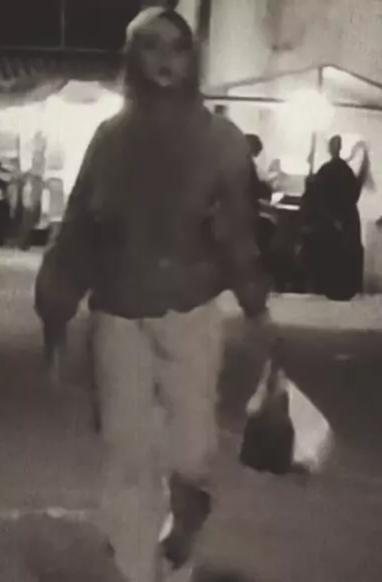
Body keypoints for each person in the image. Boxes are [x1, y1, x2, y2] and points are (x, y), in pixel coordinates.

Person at [34, 7, 269, 582]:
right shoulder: (110, 139)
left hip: (190, 311)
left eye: (177, 47)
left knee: (191, 450)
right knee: (128, 453)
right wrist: (55, 303)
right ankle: (136, 570)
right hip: (118, 313)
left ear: (193, 59)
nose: (165, 59)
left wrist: (256, 305)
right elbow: (79, 227)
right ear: (131, 58)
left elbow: (239, 233)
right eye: (151, 46)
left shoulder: (221, 142)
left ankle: (186, 517)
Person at [300, 135, 363, 300]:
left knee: (327, 265)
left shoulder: (327, 170)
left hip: (328, 226)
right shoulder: (346, 171)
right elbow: (354, 194)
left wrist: (310, 185)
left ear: (330, 148)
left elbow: (315, 197)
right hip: (344, 223)